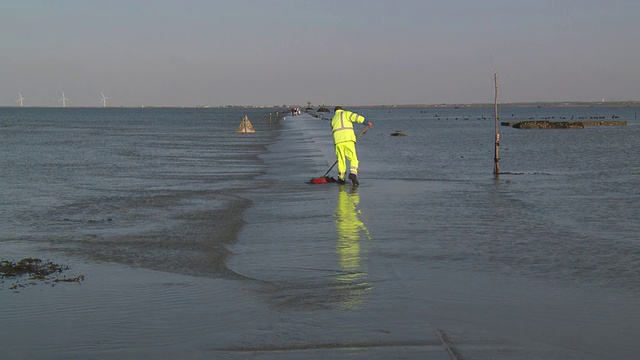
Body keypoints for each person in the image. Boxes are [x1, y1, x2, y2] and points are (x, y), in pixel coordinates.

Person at [330, 106, 372, 186]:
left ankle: (341, 178)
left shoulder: (333, 119)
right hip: (348, 140)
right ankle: (353, 173)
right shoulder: (346, 113)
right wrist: (366, 122)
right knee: (353, 158)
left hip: (338, 142)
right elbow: (356, 117)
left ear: (335, 111)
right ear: (342, 109)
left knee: (341, 160)